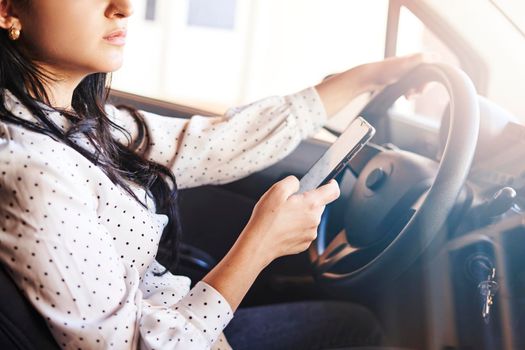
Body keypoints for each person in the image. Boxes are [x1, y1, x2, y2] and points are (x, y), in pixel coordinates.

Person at [0, 0, 431, 349]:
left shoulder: (75, 122)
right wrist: (260, 245)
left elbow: (208, 144)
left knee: (353, 323)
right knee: (356, 330)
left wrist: (365, 78)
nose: (124, 7)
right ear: (7, 11)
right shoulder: (31, 170)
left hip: (187, 326)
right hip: (178, 336)